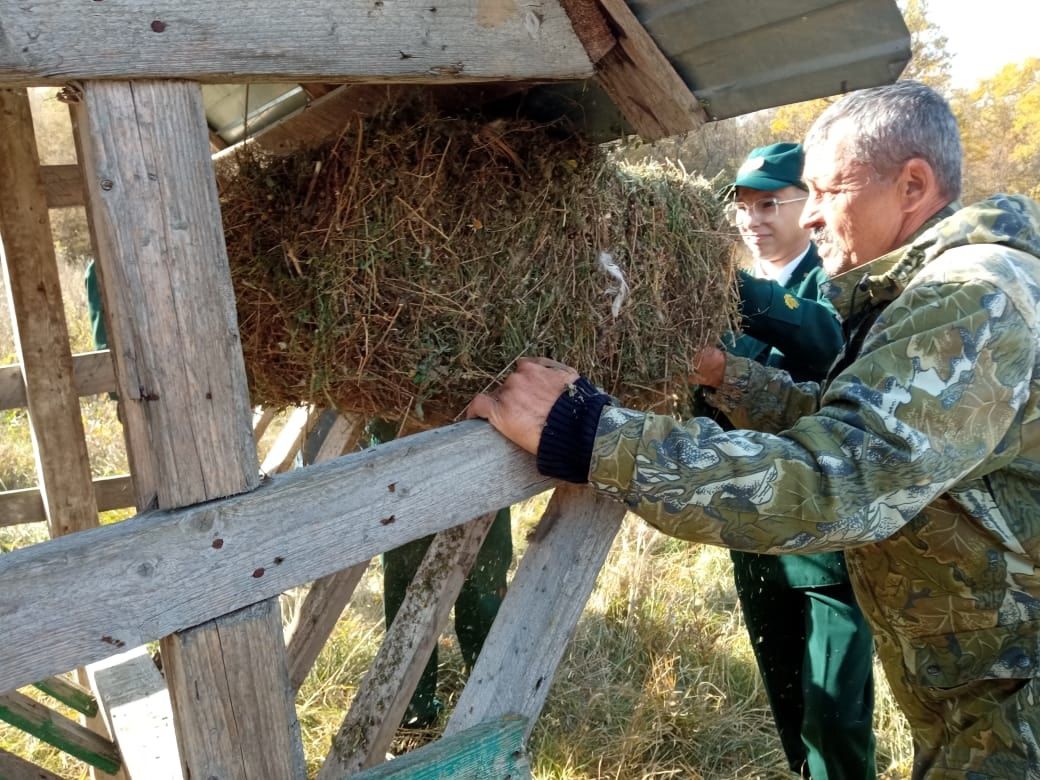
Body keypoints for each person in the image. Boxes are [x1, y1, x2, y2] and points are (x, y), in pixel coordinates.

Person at [467, 81, 1040, 777]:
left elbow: (842, 483)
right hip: (984, 698)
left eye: (828, 192)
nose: (816, 217)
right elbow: (870, 431)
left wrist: (590, 432)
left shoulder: (972, 297)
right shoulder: (939, 291)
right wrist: (727, 376)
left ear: (912, 185)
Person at [709, 142, 874, 779]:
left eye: (768, 202)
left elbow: (823, 341)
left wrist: (729, 286)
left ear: (808, 205)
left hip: (826, 544)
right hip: (753, 532)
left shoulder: (838, 280)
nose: (752, 219)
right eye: (742, 207)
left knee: (835, 712)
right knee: (786, 697)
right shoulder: (724, 304)